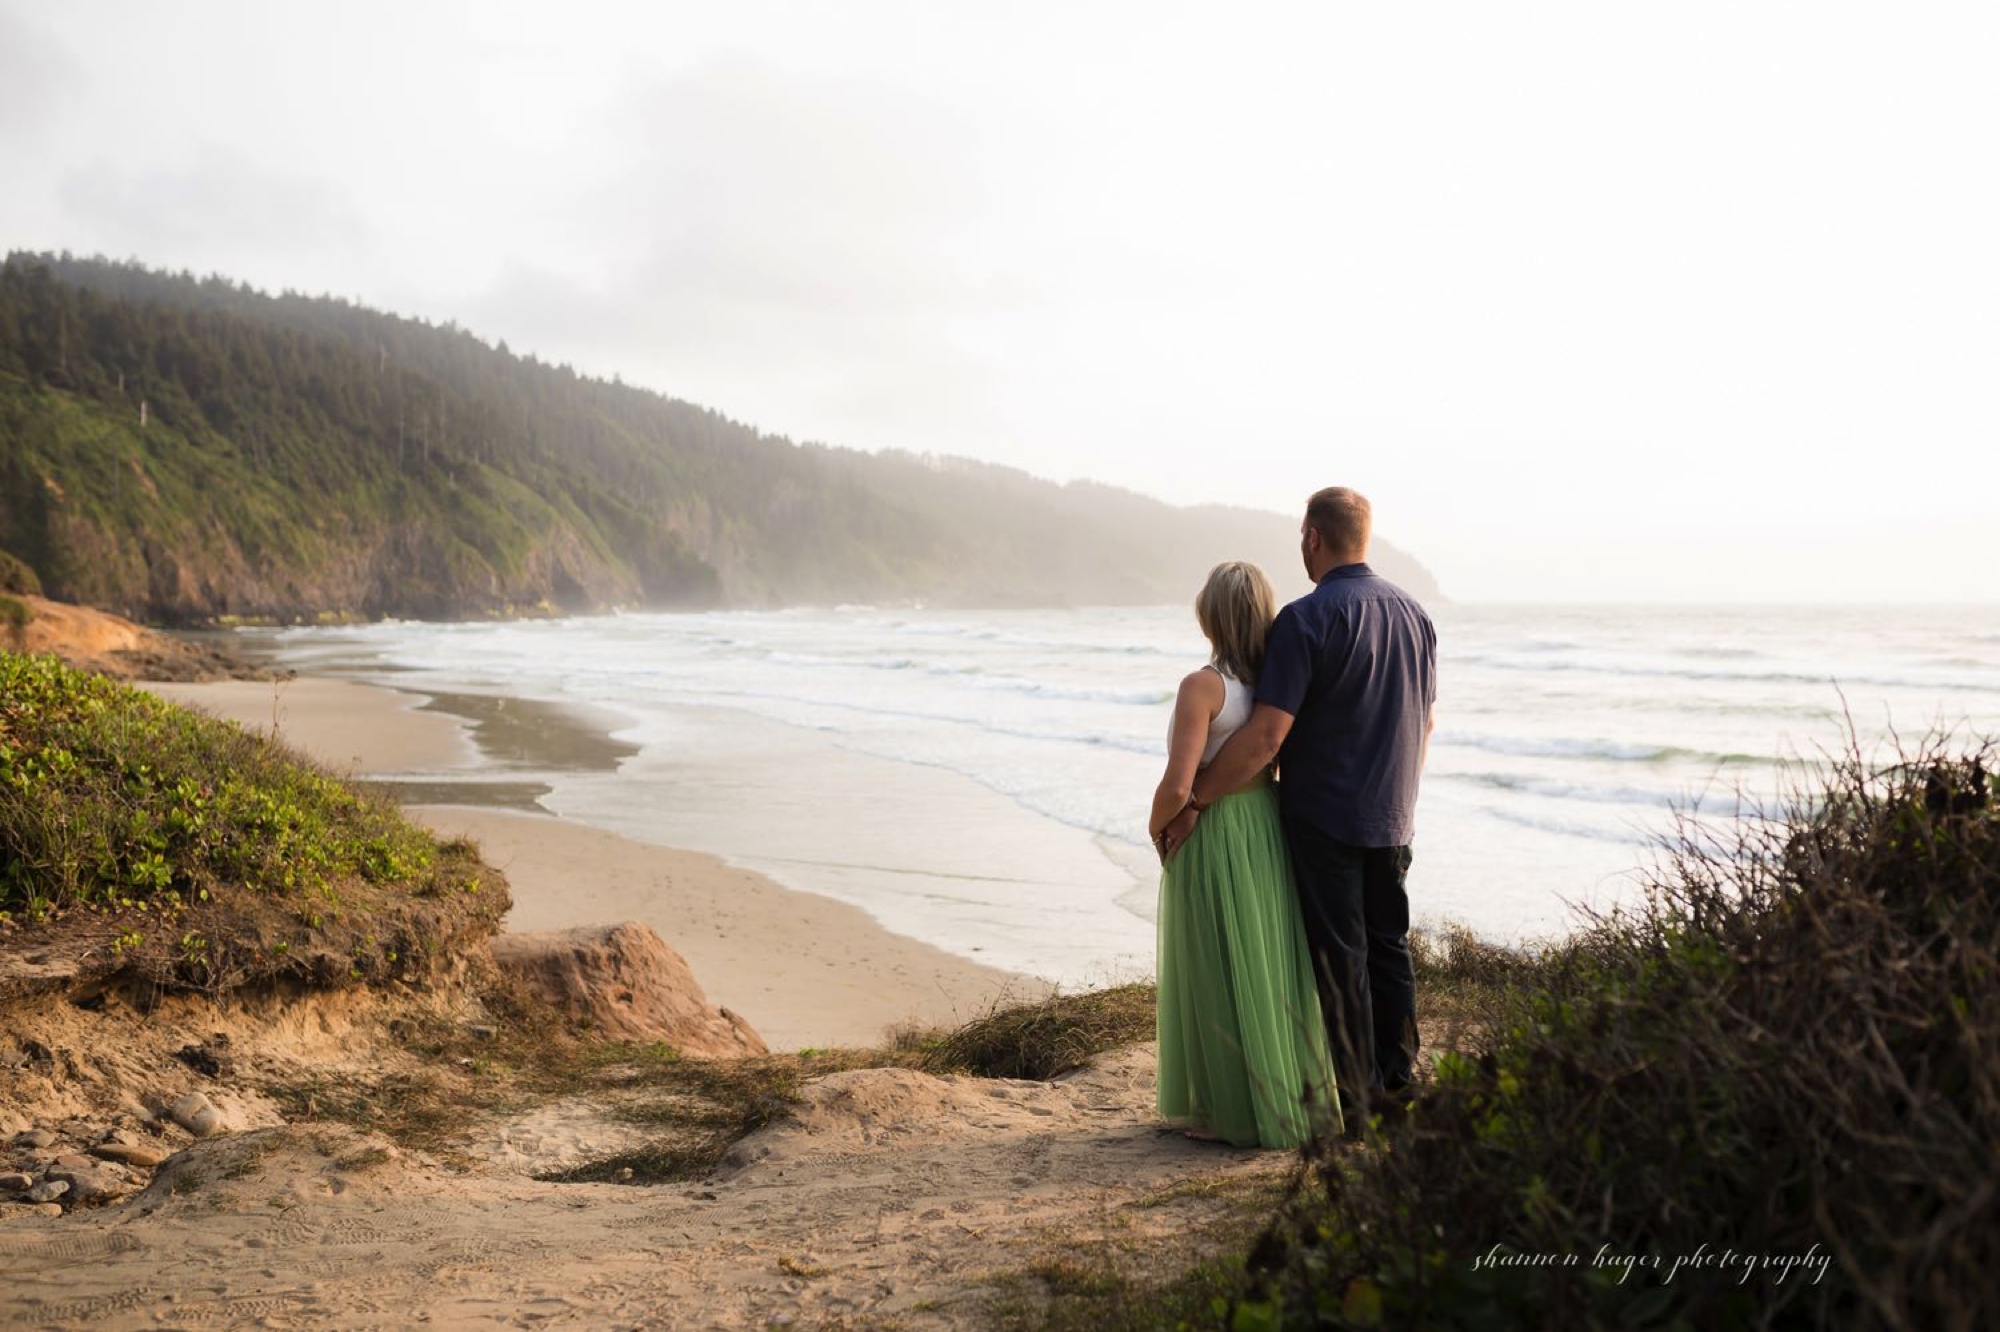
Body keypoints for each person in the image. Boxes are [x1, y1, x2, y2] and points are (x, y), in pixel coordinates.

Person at [1160, 488, 1437, 1133]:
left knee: (1340, 961)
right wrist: (1402, 794)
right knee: (1390, 951)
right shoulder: (1416, 616)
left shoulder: (1306, 620)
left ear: (1314, 536)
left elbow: (1266, 738)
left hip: (1324, 818)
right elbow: (1425, 724)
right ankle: (1398, 1095)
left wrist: (1196, 799)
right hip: (1393, 815)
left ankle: (1359, 1105)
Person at [1149, 560, 1341, 1148]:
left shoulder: (1203, 686)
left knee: (1214, 960)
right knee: (1265, 957)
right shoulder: (1276, 686)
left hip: (1215, 828)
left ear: (1209, 613)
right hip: (1266, 821)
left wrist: (1157, 826)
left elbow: (1180, 785)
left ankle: (1223, 1110)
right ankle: (1280, 1101)